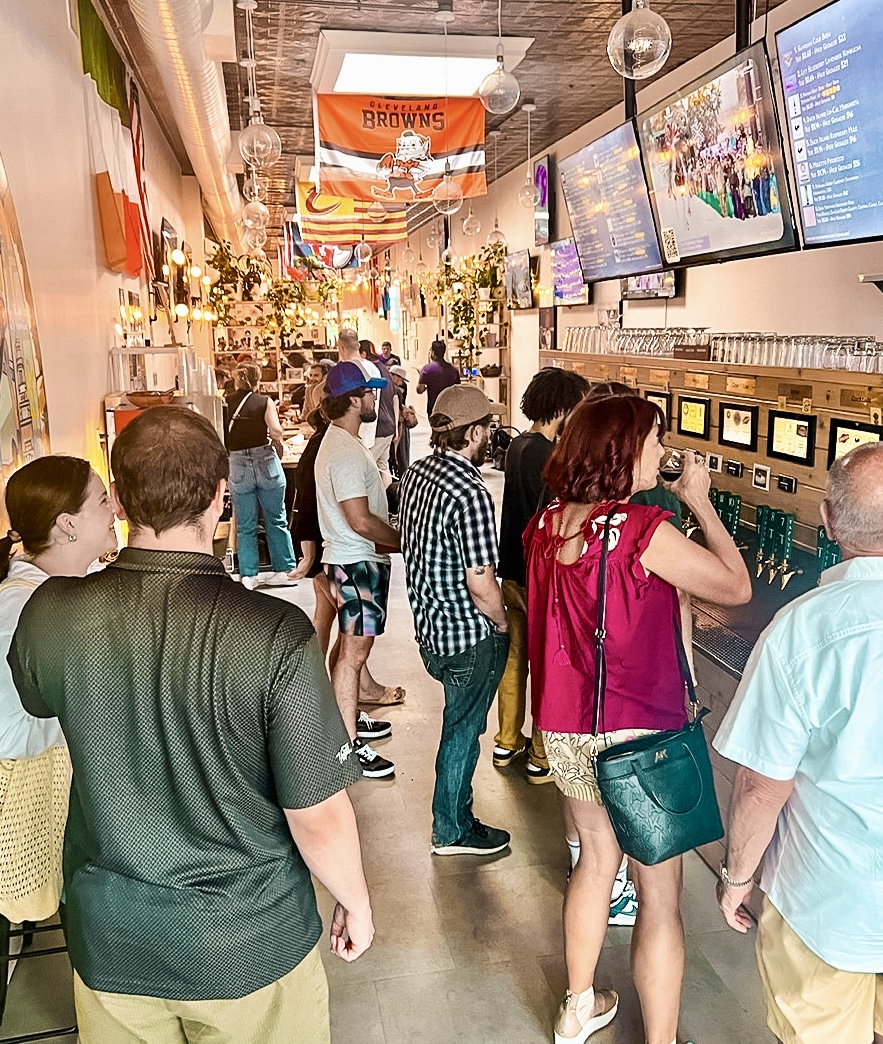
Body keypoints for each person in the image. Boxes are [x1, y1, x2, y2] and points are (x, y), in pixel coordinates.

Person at [9, 407, 373, 1044]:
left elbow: (40, 701)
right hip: (247, 940)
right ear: (220, 495)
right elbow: (317, 812)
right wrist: (356, 899)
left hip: (113, 940)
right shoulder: (273, 633)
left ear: (119, 499)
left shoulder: (50, 614)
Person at [523, 395, 751, 1044]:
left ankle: (576, 1007)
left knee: (595, 863)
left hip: (566, 728)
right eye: (655, 440)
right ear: (622, 450)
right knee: (657, 892)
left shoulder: (544, 529)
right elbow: (733, 588)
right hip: (638, 733)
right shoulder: (639, 531)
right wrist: (700, 501)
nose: (662, 452)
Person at [714, 441, 883, 1044]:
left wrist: (737, 877)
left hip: (826, 905)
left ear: (827, 519)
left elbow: (763, 785)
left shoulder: (805, 629)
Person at [0, 457, 116, 936]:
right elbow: (8, 735)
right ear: (68, 525)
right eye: (104, 500)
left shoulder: (66, 591)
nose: (116, 510)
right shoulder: (21, 610)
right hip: (38, 805)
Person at [398, 384, 511, 856]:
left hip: (429, 631)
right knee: (463, 733)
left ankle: (454, 818)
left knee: (458, 727)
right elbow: (481, 581)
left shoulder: (416, 474)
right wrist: (503, 623)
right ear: (476, 432)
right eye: (488, 427)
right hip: (468, 636)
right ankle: (452, 828)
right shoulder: (472, 493)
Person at [495, 367, 589, 786]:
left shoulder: (518, 444)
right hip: (538, 577)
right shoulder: (548, 455)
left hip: (510, 570)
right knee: (547, 664)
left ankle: (506, 740)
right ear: (565, 408)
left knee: (514, 661)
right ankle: (540, 752)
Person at [314, 362, 402, 779]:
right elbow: (360, 519)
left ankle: (343, 726)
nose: (374, 399)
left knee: (347, 651)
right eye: (368, 393)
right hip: (356, 562)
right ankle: (348, 747)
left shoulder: (340, 443)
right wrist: (404, 542)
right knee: (354, 655)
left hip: (348, 560)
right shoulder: (345, 452)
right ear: (352, 400)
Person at [225, 363, 297, 590]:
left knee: (245, 523)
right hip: (265, 462)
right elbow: (276, 431)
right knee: (276, 518)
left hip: (238, 464)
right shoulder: (264, 401)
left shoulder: (225, 403)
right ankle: (284, 570)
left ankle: (249, 575)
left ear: (236, 380)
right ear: (257, 381)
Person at [359, 340, 397, 490]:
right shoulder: (382, 368)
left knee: (369, 467)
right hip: (389, 426)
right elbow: (395, 397)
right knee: (383, 465)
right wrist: (396, 427)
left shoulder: (369, 370)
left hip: (379, 427)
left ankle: (376, 505)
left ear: (363, 353)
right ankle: (388, 502)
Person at [416, 339, 460, 414]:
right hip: (450, 408)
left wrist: (421, 376)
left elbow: (419, 390)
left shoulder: (427, 369)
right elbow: (458, 389)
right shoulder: (453, 370)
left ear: (432, 352)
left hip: (434, 408)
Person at [388, 364, 415, 480]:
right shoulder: (396, 391)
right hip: (397, 427)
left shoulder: (394, 390)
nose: (401, 382)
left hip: (396, 426)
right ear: (394, 377)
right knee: (400, 456)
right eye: (400, 379)